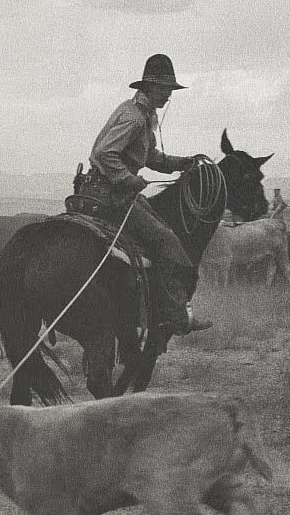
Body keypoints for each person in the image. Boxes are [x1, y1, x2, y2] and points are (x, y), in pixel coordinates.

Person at [84, 53, 212, 335]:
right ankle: (174, 315)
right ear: (150, 87)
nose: (168, 95)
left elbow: (148, 156)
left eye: (170, 89)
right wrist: (129, 180)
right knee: (168, 241)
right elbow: (105, 154)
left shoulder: (142, 115)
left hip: (107, 192)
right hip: (113, 198)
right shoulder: (133, 117)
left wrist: (181, 163)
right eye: (164, 89)